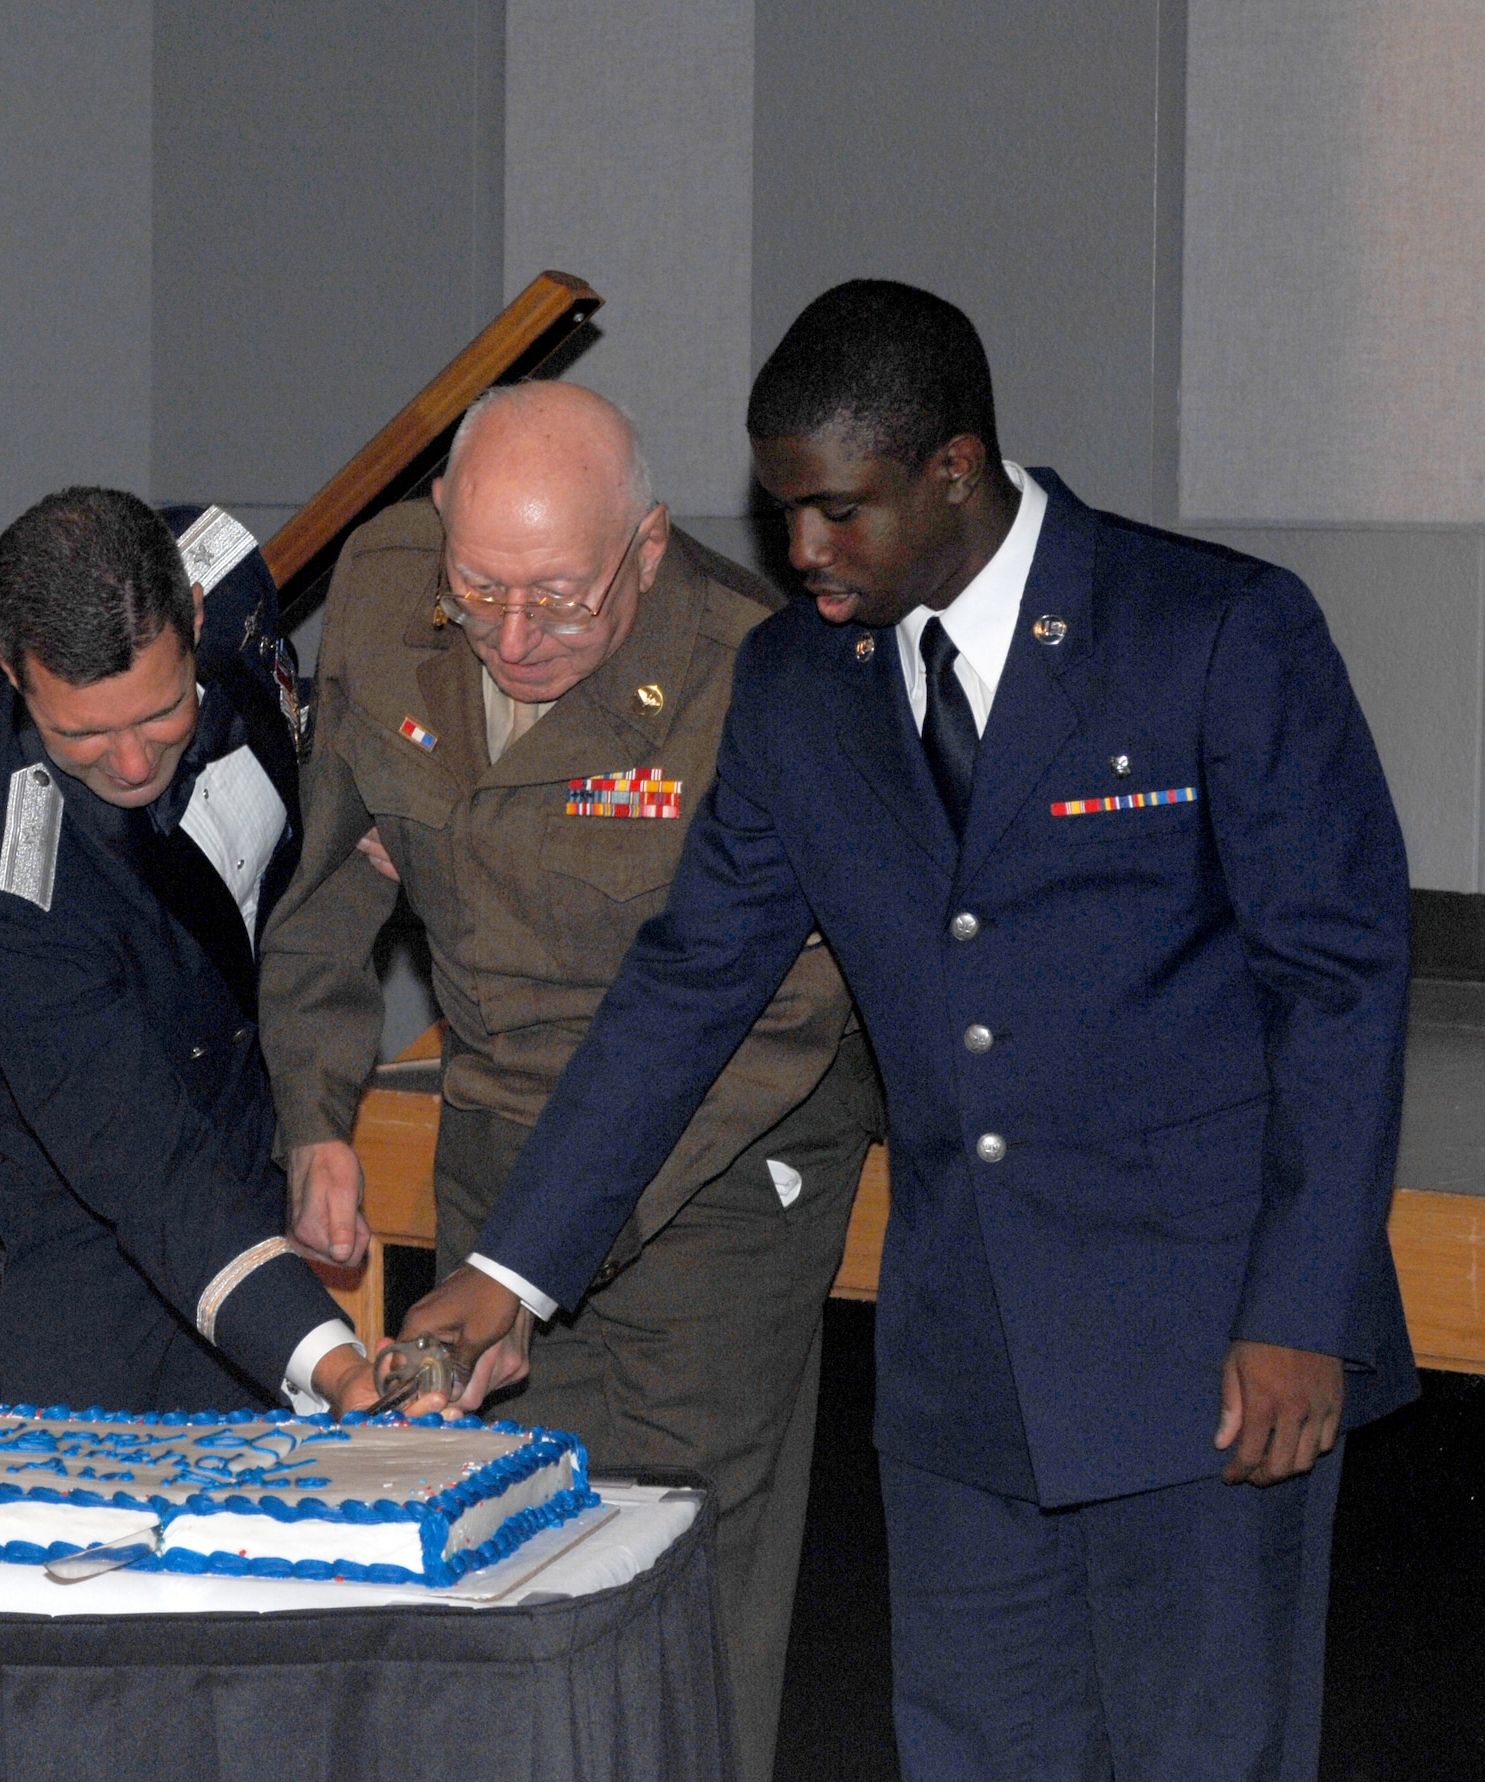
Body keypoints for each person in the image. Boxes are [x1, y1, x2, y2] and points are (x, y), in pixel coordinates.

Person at [403, 282, 1419, 1781]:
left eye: (838, 512)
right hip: (964, 1374)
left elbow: (1341, 979)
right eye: (782, 510)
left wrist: (1298, 1311)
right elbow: (693, 981)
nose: (800, 551)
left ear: (954, 468)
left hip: (1203, 1351)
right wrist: (508, 1271)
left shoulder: (1210, 629)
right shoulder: (802, 683)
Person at [258, 382, 880, 1782]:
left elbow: (779, 1008)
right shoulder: (380, 590)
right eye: (480, 593)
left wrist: (539, 1261)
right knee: (505, 1577)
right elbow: (325, 881)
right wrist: (315, 1109)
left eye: (559, 600)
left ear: (648, 549)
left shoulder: (752, 674)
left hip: (711, 1173)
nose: (515, 638)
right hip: (497, 1137)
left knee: (676, 1587)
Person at [0, 486, 376, 1420]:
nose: (130, 764)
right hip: (74, 1221)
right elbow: (148, 1167)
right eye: (82, 731)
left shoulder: (226, 566)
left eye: (159, 713)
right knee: (85, 1526)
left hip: (238, 1113)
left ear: (198, 616)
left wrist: (374, 803)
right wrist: (336, 1366)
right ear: (8, 665)